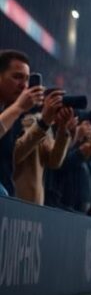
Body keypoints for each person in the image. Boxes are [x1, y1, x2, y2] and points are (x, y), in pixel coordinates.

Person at [0, 50, 45, 197]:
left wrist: (47, 121)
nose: (23, 85)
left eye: (26, 79)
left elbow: (16, 157)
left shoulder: (12, 112)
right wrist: (18, 108)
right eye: (17, 77)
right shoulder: (14, 110)